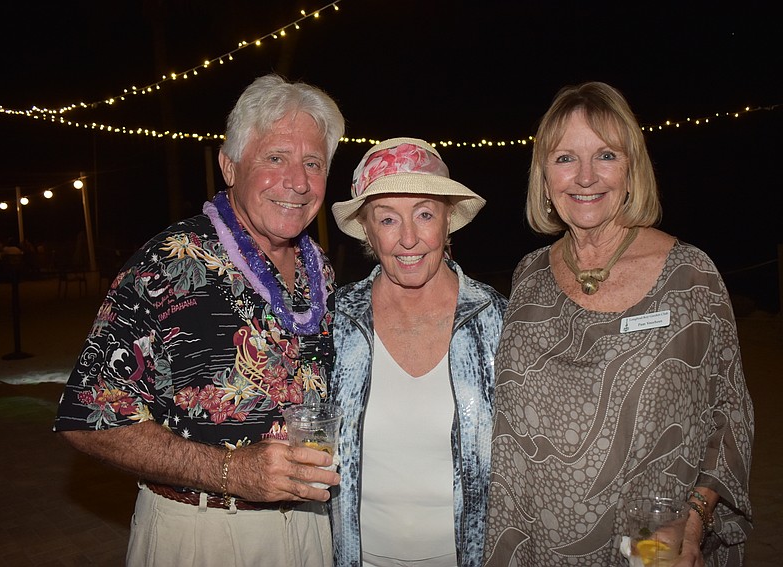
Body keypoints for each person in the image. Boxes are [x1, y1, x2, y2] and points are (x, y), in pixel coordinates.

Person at [54, 74, 345, 567]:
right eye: (276, 158)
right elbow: (87, 419)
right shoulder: (169, 263)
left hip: (311, 528)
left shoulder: (321, 270)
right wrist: (230, 470)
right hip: (203, 534)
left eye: (313, 164)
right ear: (229, 165)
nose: (297, 182)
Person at [482, 82, 754, 567]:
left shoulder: (689, 277)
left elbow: (730, 414)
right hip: (534, 541)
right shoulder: (528, 277)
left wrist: (693, 517)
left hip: (649, 538)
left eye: (606, 155)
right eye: (565, 158)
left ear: (632, 170)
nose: (585, 177)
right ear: (544, 178)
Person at [329, 137, 508, 567]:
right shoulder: (333, 323)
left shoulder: (498, 321)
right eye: (387, 219)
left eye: (424, 214)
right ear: (367, 232)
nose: (408, 239)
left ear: (448, 222)